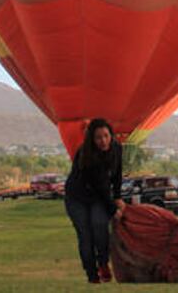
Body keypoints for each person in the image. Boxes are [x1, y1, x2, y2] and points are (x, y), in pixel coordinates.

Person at [64, 118, 125, 285]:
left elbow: (117, 174)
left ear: (111, 135)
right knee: (86, 236)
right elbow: (101, 188)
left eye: (106, 136)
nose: (103, 141)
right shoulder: (87, 155)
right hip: (77, 197)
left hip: (97, 196)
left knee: (100, 226)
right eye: (98, 137)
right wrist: (114, 210)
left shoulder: (117, 149)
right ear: (92, 139)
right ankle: (92, 276)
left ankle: (103, 263)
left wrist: (118, 196)